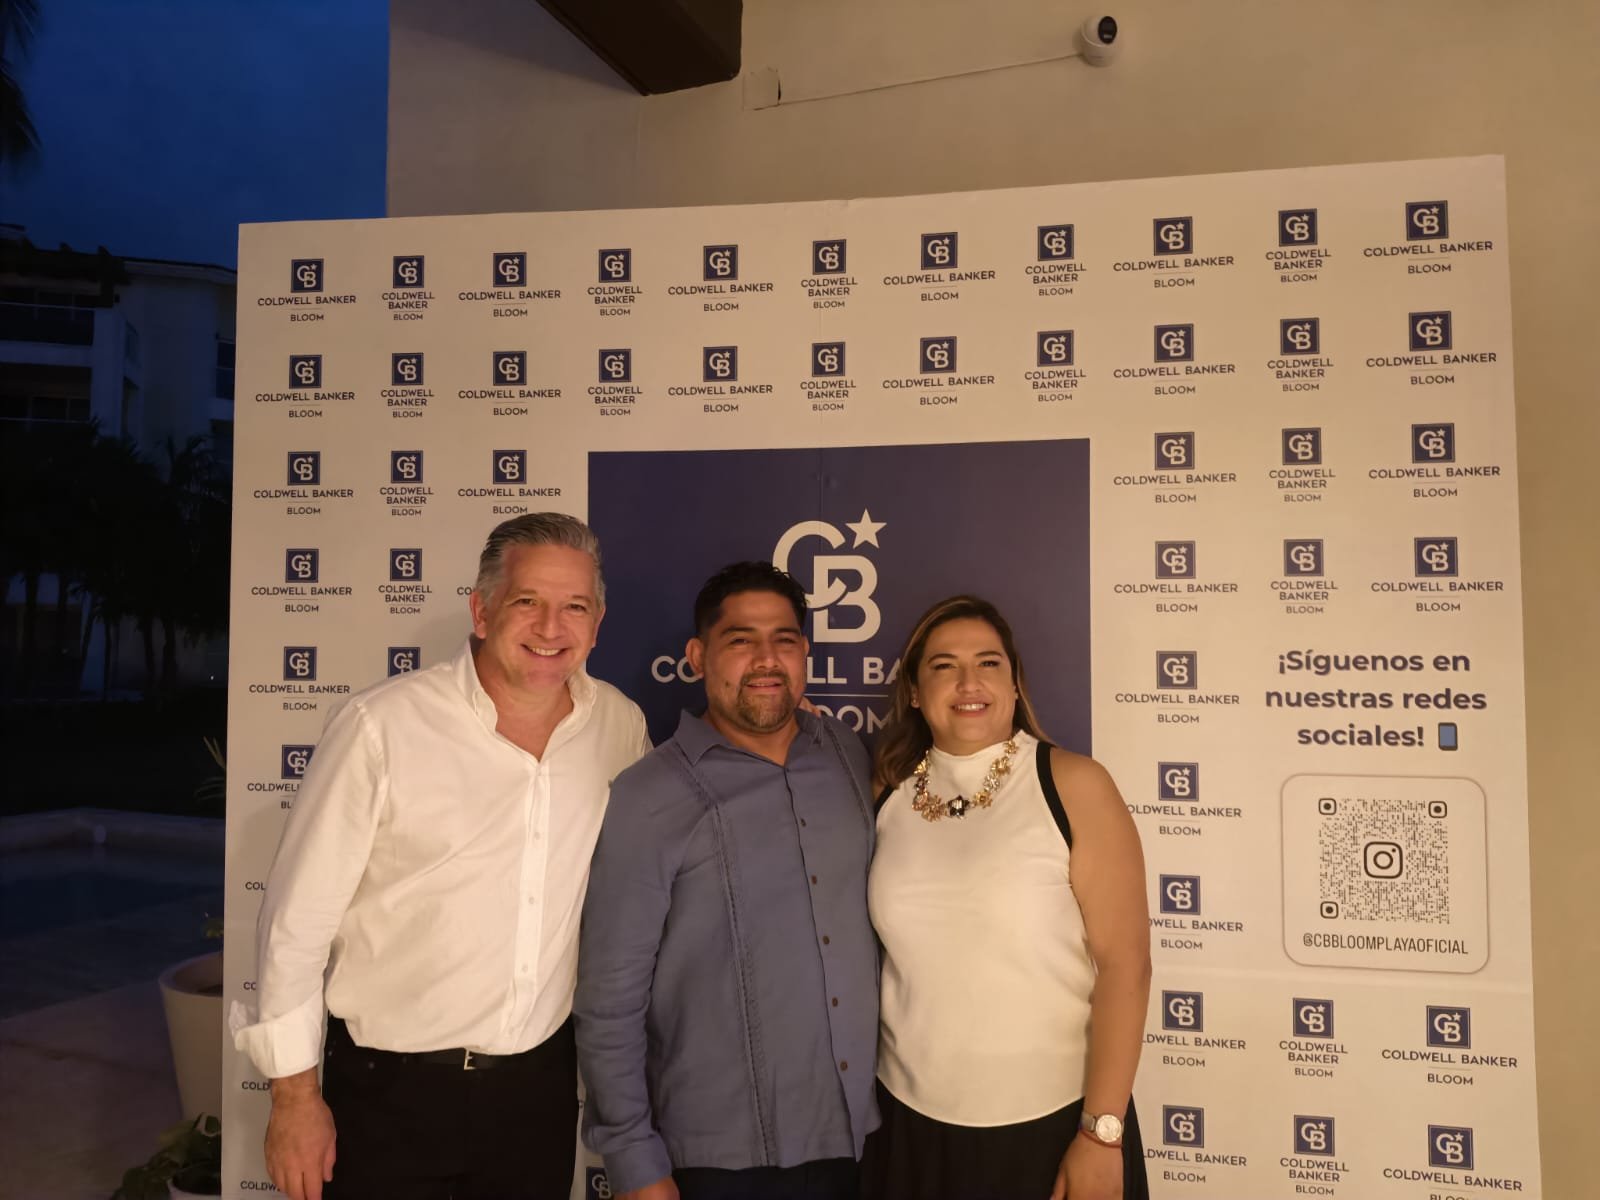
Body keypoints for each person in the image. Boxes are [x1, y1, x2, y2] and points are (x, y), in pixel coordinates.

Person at [230, 513, 651, 1200]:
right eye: (527, 602)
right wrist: (295, 1100)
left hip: (537, 1092)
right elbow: (296, 924)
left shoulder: (620, 727)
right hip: (389, 1093)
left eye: (574, 607)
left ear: (597, 625)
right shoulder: (380, 727)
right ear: (481, 610)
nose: (551, 627)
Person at [575, 561, 879, 1200]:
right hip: (718, 1163)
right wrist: (632, 1158)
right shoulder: (647, 795)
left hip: (861, 1139)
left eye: (785, 640)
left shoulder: (847, 754)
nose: (766, 660)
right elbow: (610, 1000)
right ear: (697, 655)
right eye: (741, 640)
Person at [863, 595, 1151, 1200]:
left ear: (1014, 684)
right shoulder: (885, 792)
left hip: (1049, 1128)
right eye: (944, 665)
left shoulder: (1072, 783)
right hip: (907, 1128)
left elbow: (1126, 965)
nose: (969, 682)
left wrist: (1102, 1136)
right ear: (915, 690)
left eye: (988, 663)